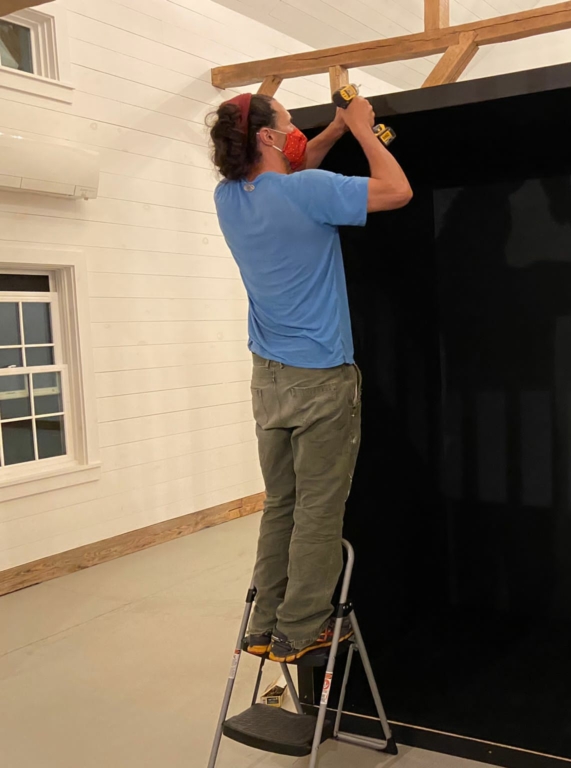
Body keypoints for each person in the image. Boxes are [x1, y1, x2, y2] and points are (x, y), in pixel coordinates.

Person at [208, 92, 412, 663]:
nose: (300, 130)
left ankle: (262, 623)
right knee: (318, 511)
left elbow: (292, 173)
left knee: (281, 505)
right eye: (291, 123)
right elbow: (398, 190)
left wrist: (334, 132)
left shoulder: (228, 198)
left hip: (268, 380)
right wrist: (366, 130)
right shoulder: (309, 192)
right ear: (269, 138)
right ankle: (302, 629)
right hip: (321, 379)